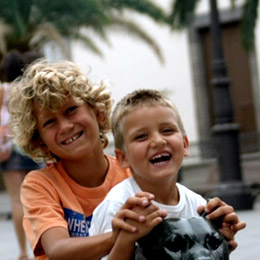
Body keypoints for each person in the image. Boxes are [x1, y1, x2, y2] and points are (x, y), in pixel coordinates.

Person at [7, 60, 244, 260]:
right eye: (50, 122)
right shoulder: (40, 184)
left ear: (97, 112)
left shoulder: (139, 173)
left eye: (71, 110)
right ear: (39, 140)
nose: (66, 126)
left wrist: (214, 237)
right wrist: (122, 234)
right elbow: (58, 250)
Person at [89, 89, 246, 260]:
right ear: (123, 157)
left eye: (167, 131)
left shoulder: (198, 205)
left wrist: (220, 240)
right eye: (142, 136)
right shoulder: (120, 206)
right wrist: (125, 239)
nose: (158, 141)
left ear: (185, 144)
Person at [0, 50, 45, 260]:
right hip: (30, 145)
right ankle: (42, 248)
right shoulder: (29, 88)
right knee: (39, 200)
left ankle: (22, 252)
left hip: (10, 149)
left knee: (17, 201)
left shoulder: (3, 90)